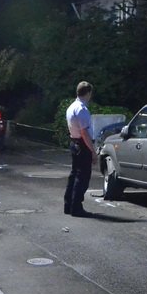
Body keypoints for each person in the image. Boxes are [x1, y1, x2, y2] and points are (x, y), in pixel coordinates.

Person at [64, 81, 96, 217]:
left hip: (74, 141)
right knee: (82, 176)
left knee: (74, 174)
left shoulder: (71, 107)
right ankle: (76, 206)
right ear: (88, 93)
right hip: (82, 144)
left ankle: (68, 204)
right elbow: (84, 132)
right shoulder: (82, 109)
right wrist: (93, 151)